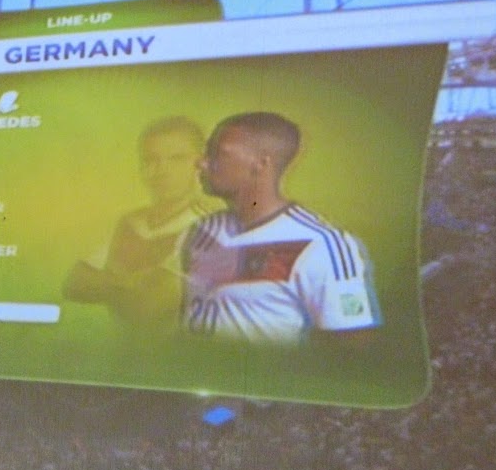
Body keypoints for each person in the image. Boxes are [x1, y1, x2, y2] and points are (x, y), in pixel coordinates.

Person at [181, 112, 381, 344]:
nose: (201, 162)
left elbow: (353, 347)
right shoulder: (202, 231)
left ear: (261, 164)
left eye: (218, 153)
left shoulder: (321, 244)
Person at [63, 116, 219, 331]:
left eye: (177, 159)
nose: (162, 170)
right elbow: (74, 284)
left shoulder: (213, 228)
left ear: (201, 165)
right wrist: (132, 285)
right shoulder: (128, 221)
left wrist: (108, 282)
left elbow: (147, 306)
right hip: (118, 347)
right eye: (150, 160)